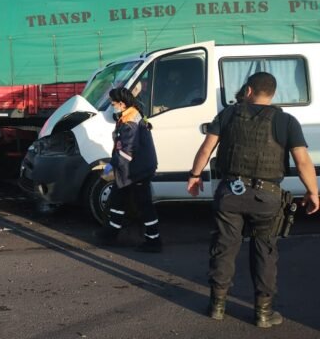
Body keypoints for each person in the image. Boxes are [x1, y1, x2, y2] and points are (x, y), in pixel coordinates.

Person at [187, 72, 319, 328]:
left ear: (248, 91)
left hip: (229, 194)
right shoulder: (286, 121)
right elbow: (303, 161)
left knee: (224, 247)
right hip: (267, 197)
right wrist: (312, 192)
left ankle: (217, 305)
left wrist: (194, 176)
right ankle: (263, 312)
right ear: (272, 94)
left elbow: (206, 148)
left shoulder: (228, 115)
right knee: (265, 252)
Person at [96, 87, 162, 252]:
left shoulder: (130, 122)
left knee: (144, 205)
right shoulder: (128, 117)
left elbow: (127, 152)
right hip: (133, 169)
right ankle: (110, 235)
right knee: (118, 200)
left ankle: (154, 241)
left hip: (138, 171)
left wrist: (111, 166)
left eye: (113, 103)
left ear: (122, 104)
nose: (112, 106)